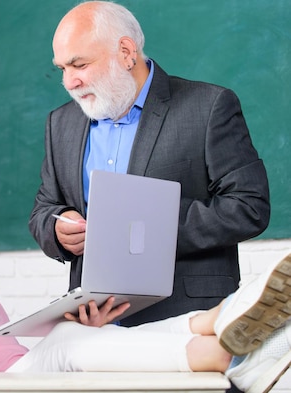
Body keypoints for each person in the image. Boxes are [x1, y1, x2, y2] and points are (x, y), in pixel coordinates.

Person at [0, 158, 291, 393]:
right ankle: (230, 332)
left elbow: (12, 367)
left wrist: (85, 340)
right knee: (69, 345)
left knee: (72, 340)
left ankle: (228, 340)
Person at [28, 0, 271, 328]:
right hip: (93, 328)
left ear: (126, 52)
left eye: (79, 65)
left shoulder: (208, 107)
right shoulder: (61, 123)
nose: (69, 82)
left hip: (187, 322)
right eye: (62, 69)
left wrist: (143, 228)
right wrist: (57, 229)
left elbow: (249, 207)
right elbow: (45, 209)